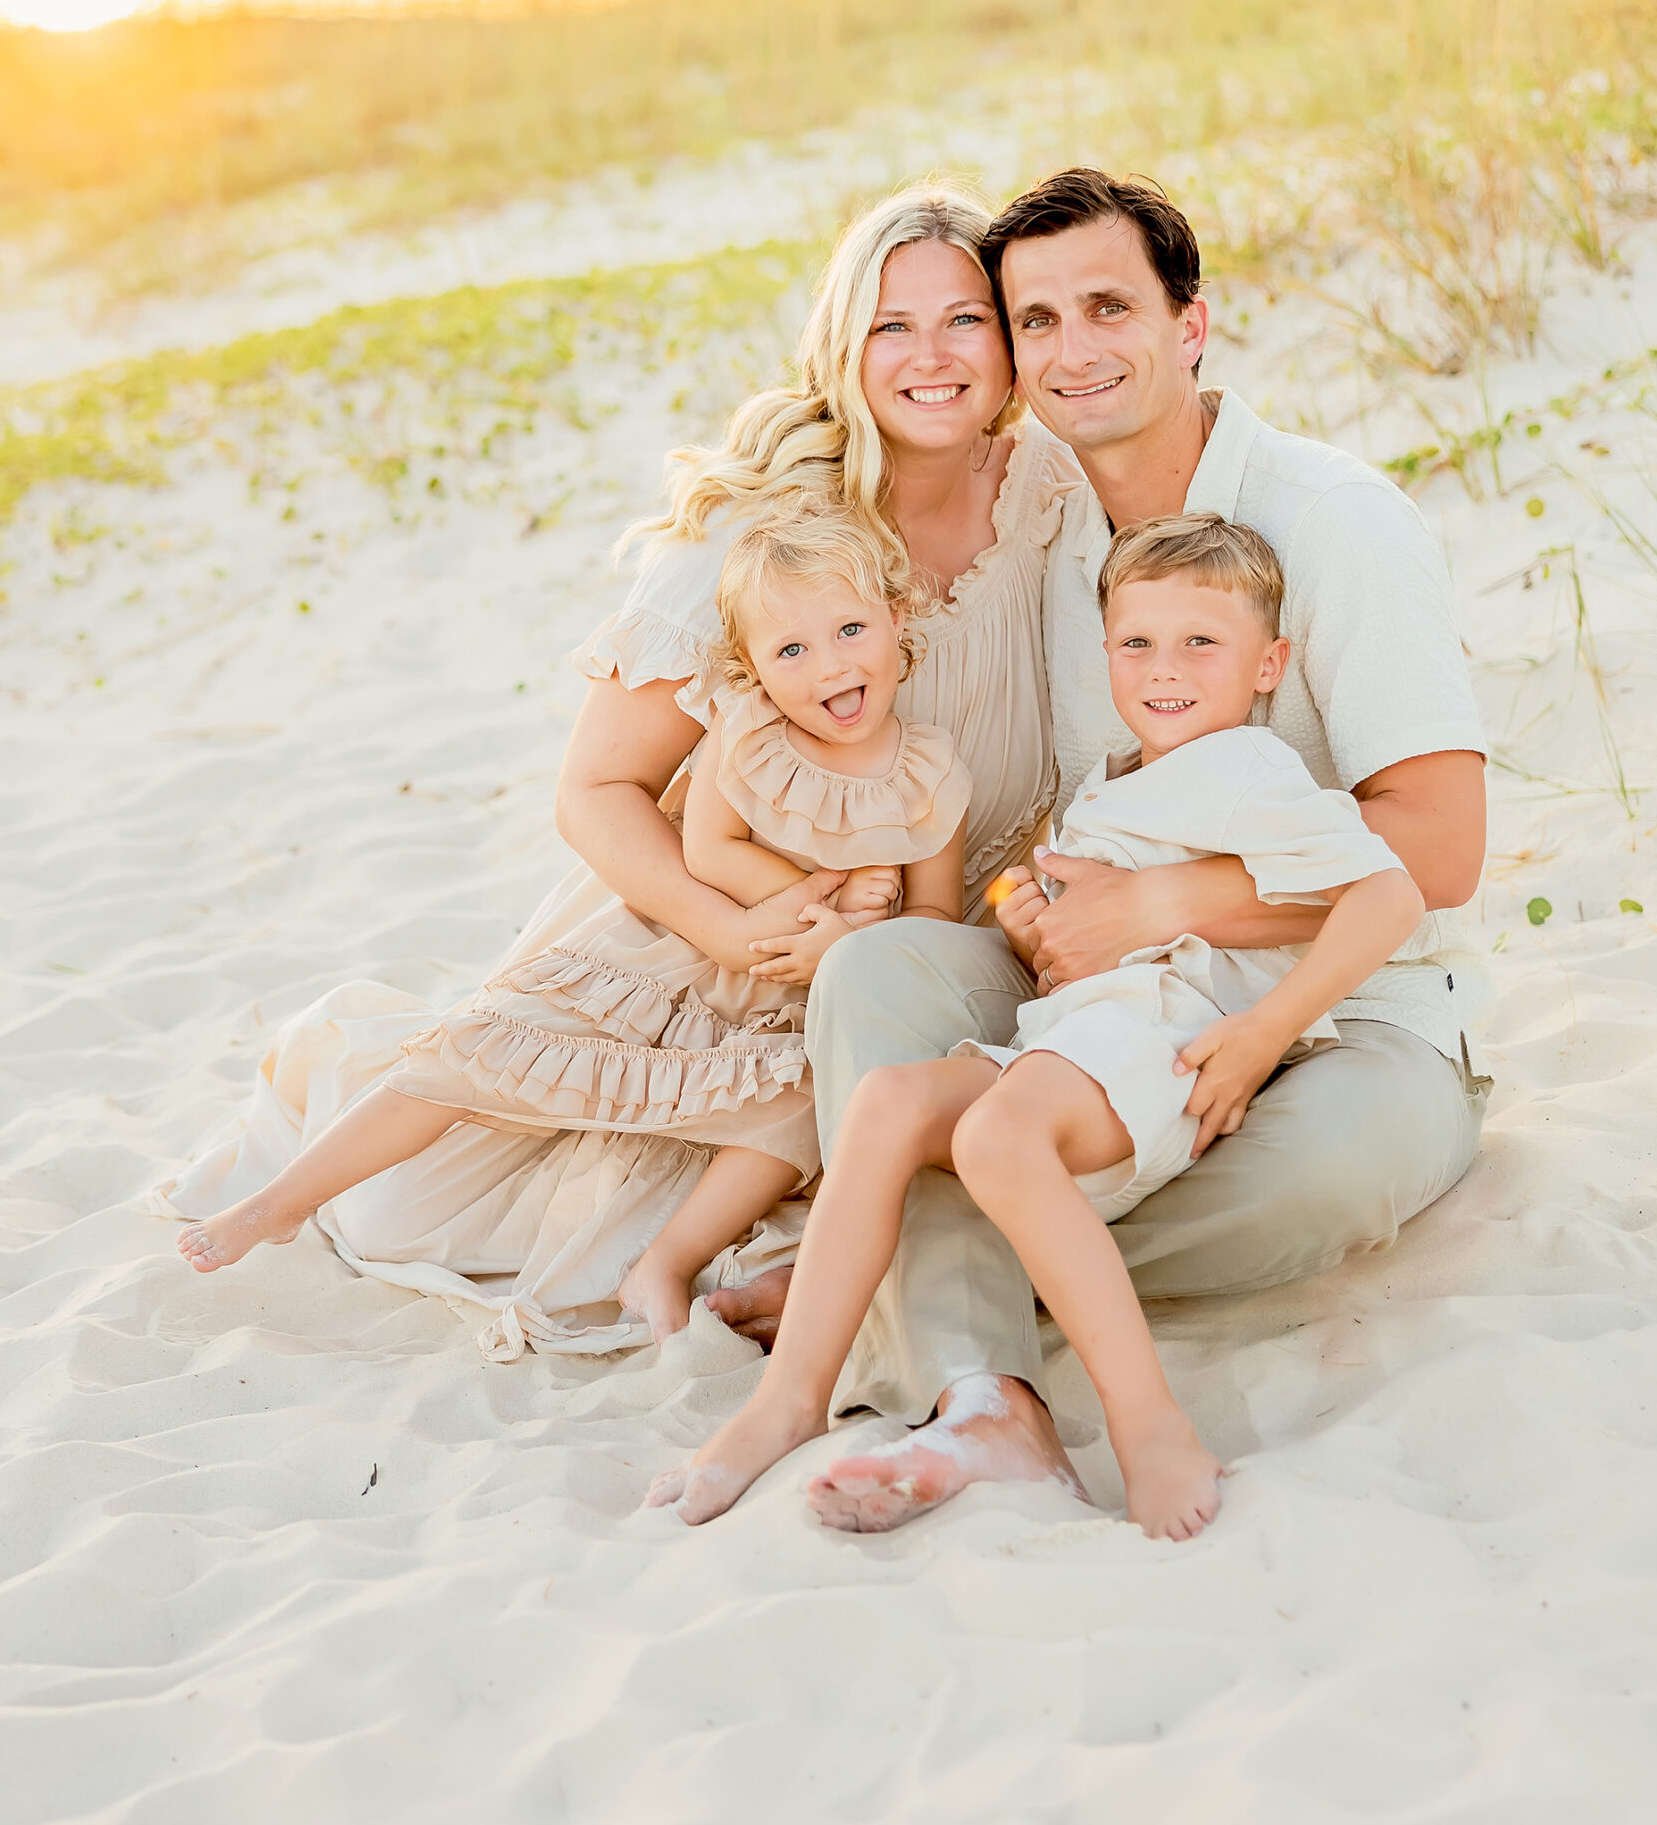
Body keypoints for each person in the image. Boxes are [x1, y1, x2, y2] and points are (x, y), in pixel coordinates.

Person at [161, 183, 1077, 1357]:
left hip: (912, 932)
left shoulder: (1051, 493)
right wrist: (726, 925)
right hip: (702, 924)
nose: (932, 356)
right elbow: (593, 790)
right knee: (439, 1195)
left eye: (965, 320)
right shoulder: (766, 536)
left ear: (1010, 340)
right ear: (841, 349)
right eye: (890, 326)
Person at [768, 166, 1490, 1532]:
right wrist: (1024, 899)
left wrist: (1165, 899)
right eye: (1034, 320)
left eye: (1109, 305)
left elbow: (1440, 850)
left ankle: (900, 1281)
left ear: (1192, 324)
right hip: (1105, 1004)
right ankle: (987, 1396)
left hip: (1354, 1008)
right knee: (878, 980)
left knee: (1325, 1172)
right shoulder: (1050, 536)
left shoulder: (1334, 519)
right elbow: (1055, 819)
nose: (1073, 346)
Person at [647, 511, 1424, 1539]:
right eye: (1137, 643)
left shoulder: (1251, 768)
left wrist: (1266, 1029)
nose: (1165, 669)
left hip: (1159, 1035)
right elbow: (1076, 902)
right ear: (1103, 652)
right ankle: (784, 1403)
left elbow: (1389, 896)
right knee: (886, 1103)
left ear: (1267, 662)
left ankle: (1149, 1428)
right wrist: (1029, 910)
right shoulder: (1116, 778)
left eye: (1202, 643)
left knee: (993, 1138)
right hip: (1076, 1032)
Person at [174, 505, 971, 1342]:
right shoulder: (748, 737)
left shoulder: (925, 773)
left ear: (897, 617)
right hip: (675, 954)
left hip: (789, 998)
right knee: (486, 1045)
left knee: (789, 1119)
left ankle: (660, 1263)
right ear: (753, 669)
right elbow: (707, 847)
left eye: (850, 630)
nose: (829, 667)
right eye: (791, 651)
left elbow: (935, 918)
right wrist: (816, 896)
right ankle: (277, 1202)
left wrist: (847, 944)